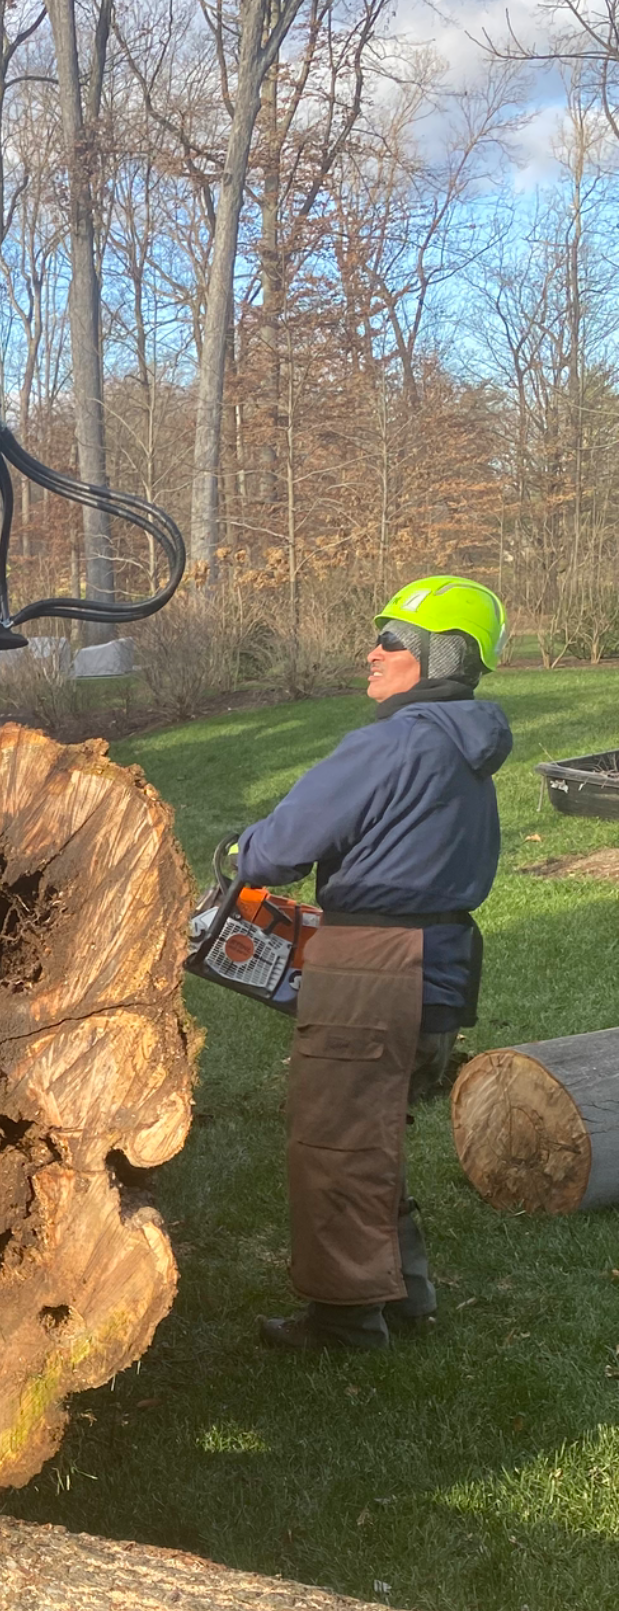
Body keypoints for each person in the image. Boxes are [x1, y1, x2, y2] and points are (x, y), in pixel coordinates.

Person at [237, 575, 513, 1352]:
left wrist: (239, 850)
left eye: (390, 639)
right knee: (374, 1133)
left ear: (434, 655)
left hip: (375, 966)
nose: (373, 650)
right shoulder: (465, 744)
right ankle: (408, 1293)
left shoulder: (393, 741)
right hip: (439, 964)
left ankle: (346, 1318)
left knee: (336, 1142)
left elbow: (282, 847)